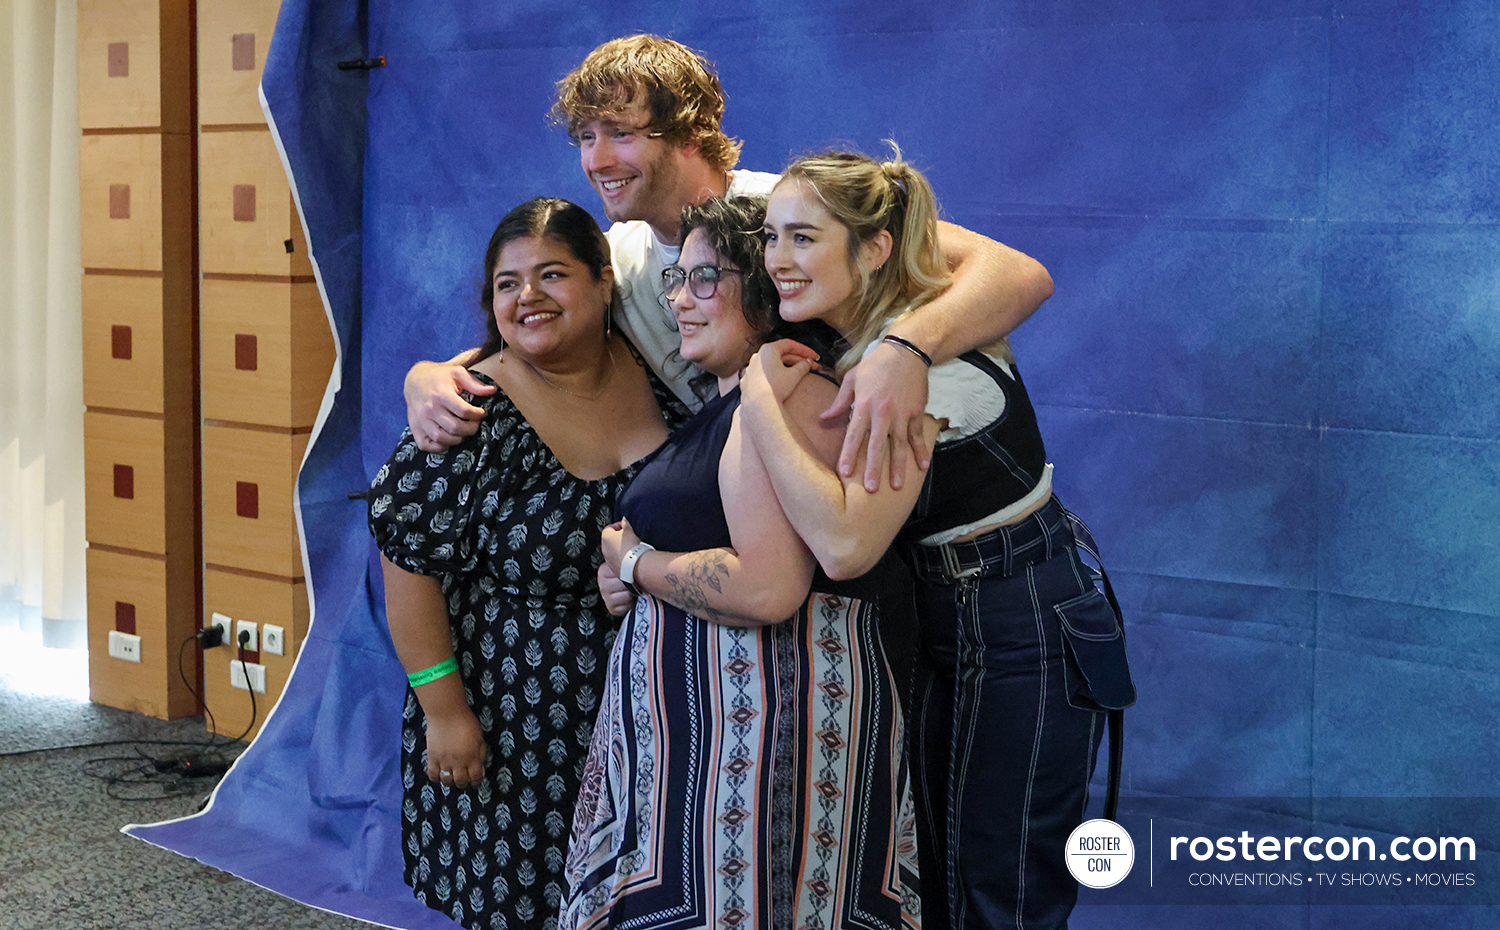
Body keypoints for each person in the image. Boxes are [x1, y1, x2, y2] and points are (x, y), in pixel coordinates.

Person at [740, 151, 1136, 930]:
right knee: (935, 886)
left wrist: (758, 399)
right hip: (943, 620)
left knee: (1000, 893)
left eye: (803, 239)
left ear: (875, 248)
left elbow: (846, 545)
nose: (778, 261)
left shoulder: (925, 372)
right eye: (771, 237)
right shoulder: (869, 336)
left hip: (1019, 625)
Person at [402, 34, 1056, 496]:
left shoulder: (792, 209)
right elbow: (543, 326)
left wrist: (901, 350)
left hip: (916, 532)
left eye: (621, 134)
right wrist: (430, 376)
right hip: (775, 553)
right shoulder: (622, 256)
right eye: (586, 137)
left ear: (688, 132)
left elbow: (1018, 273)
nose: (596, 160)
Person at [560, 196, 919, 930]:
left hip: (750, 751)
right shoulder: (737, 398)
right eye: (675, 282)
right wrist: (630, 574)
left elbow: (768, 586)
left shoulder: (782, 395)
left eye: (704, 280)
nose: (681, 302)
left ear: (763, 287)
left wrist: (637, 567)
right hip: (706, 746)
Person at [367, 198, 689, 930]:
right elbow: (406, 559)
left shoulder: (660, 366)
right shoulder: (470, 406)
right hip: (517, 722)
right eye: (508, 284)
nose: (528, 296)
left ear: (605, 282)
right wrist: (443, 711)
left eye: (552, 274)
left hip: (651, 707)